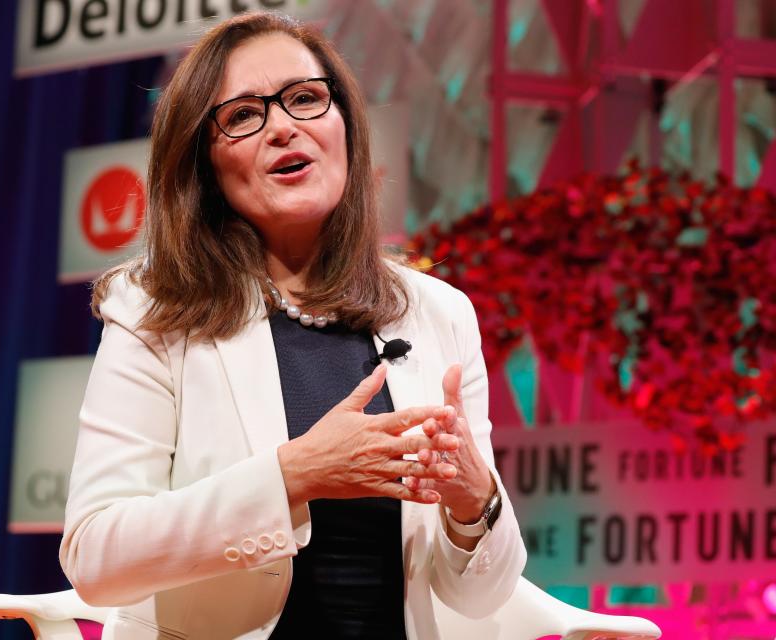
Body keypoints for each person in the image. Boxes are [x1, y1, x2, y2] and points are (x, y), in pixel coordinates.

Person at [59, 11, 526, 639]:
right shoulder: (153, 307)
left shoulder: (439, 312)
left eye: (305, 99)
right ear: (204, 166)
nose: (283, 126)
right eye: (245, 115)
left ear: (346, 131)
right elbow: (96, 557)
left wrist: (475, 503)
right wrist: (291, 476)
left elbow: (480, 597)